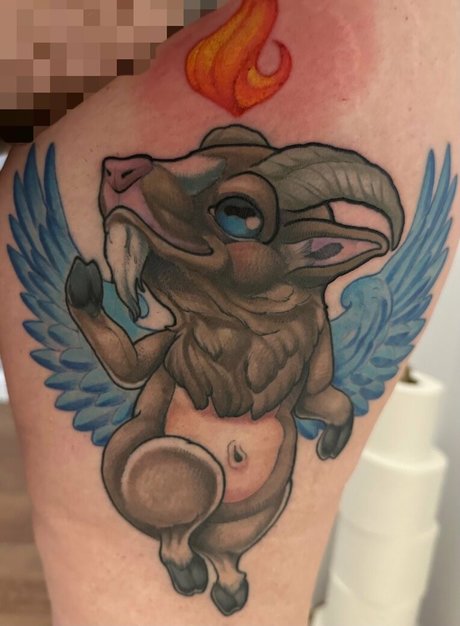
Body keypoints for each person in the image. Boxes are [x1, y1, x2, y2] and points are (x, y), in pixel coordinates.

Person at [0, 1, 458, 624]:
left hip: (252, 504)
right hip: (166, 478)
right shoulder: (190, 340)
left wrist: (331, 409)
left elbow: (317, 388)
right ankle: (179, 543)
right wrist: (89, 314)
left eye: (238, 213)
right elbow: (131, 368)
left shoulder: (299, 329)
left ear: (314, 253)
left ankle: (224, 562)